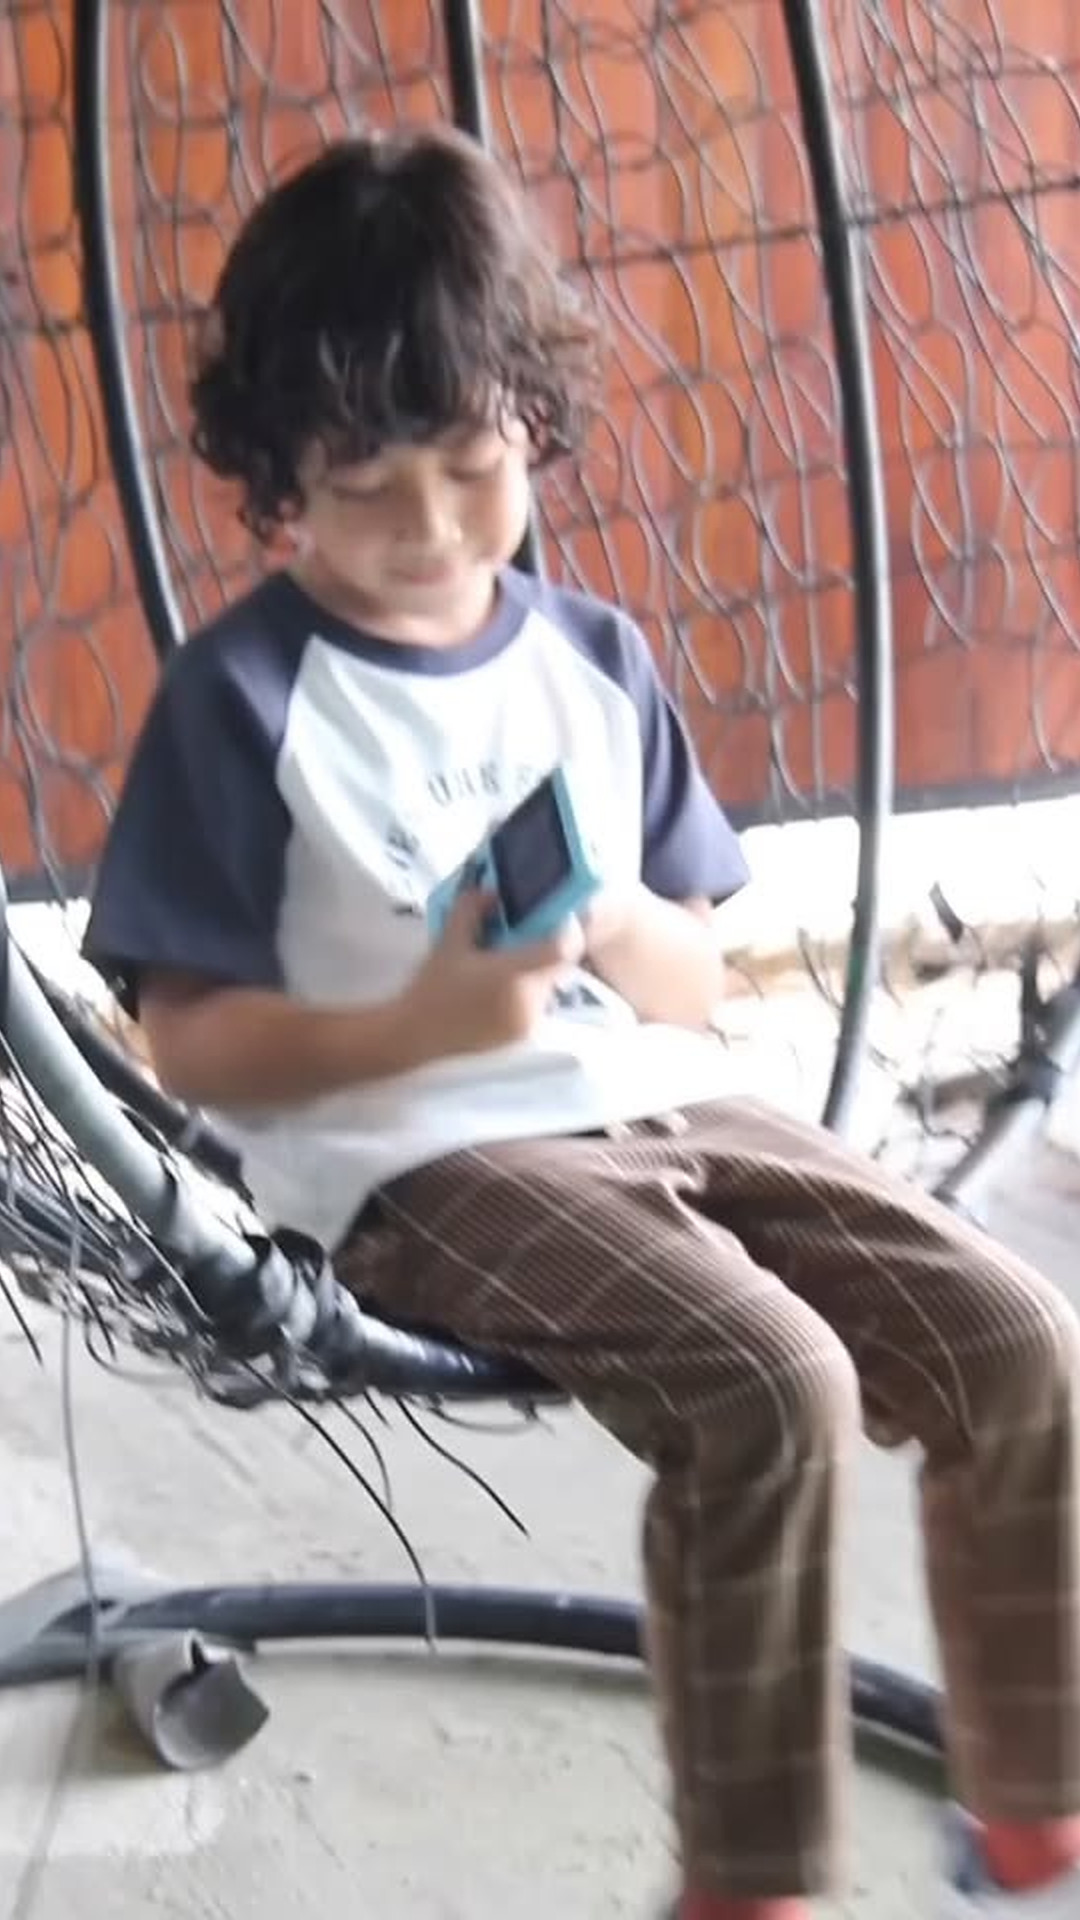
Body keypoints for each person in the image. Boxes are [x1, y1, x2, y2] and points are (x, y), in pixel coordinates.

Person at [83, 125, 1080, 1920]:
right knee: (770, 1384)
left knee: (1016, 1338)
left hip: (661, 1099)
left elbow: (691, 974)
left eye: (473, 471)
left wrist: (613, 921)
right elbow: (191, 1049)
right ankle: (751, 1885)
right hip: (419, 1159)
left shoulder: (590, 659)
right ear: (277, 475)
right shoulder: (246, 698)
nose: (431, 532)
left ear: (531, 429)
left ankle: (1036, 1810)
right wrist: (430, 1018)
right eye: (365, 489)